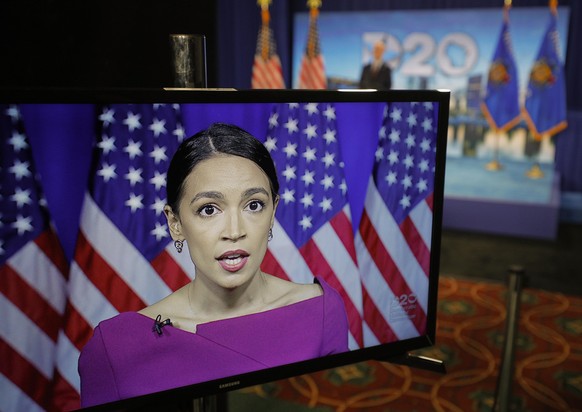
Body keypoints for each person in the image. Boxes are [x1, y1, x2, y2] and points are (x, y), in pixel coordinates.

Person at [78, 123, 349, 407]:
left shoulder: (321, 311)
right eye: (209, 209)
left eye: (254, 205)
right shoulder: (116, 348)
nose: (234, 231)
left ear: (273, 212)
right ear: (175, 223)